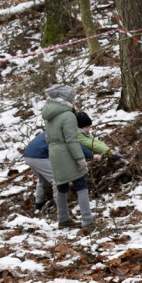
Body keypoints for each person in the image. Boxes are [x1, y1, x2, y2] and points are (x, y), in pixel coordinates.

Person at [41, 84, 96, 230]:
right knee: (81, 185)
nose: (75, 101)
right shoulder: (68, 115)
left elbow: (48, 137)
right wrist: (80, 159)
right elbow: (71, 140)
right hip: (66, 153)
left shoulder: (50, 114)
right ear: (66, 99)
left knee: (61, 186)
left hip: (53, 152)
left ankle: (63, 218)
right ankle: (87, 220)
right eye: (73, 98)